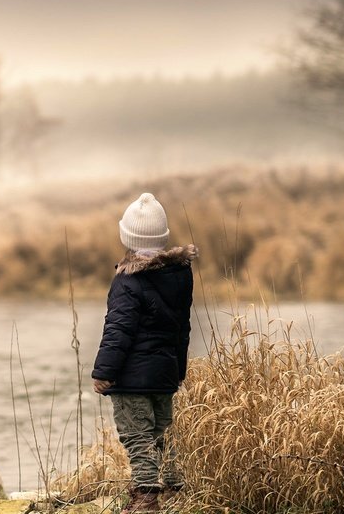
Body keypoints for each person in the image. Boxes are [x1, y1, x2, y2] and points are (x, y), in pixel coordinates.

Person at [91, 192, 196, 513]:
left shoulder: (127, 279)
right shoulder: (179, 274)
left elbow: (118, 330)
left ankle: (146, 499)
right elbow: (182, 327)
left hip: (132, 378)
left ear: (127, 237)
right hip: (165, 373)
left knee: (138, 437)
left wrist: (103, 372)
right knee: (161, 432)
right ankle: (174, 492)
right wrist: (178, 369)